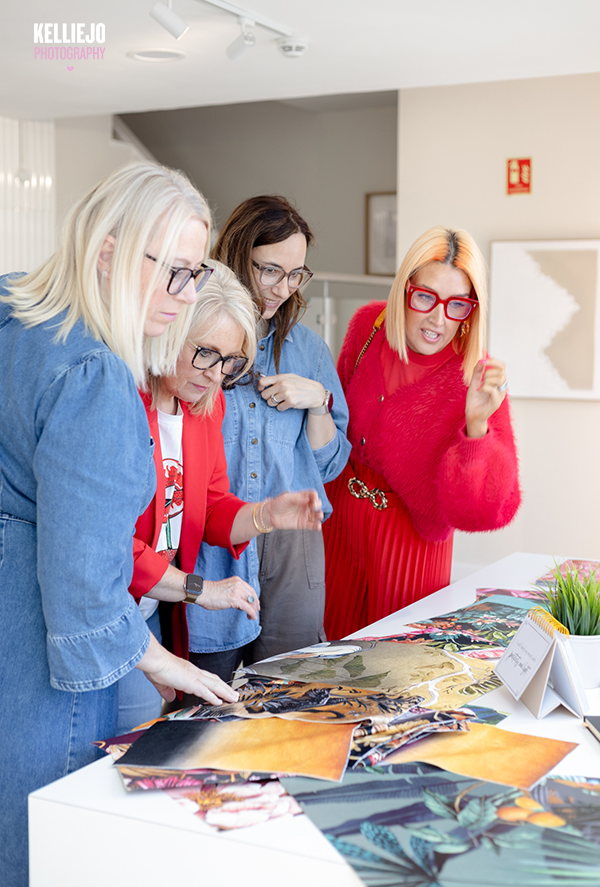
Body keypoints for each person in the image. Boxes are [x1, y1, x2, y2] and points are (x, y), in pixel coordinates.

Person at [0, 162, 240, 887]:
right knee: (39, 845)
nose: (186, 298)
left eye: (194, 275)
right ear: (107, 252)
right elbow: (85, 587)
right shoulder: (94, 375)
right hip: (41, 660)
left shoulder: (18, 316)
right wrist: (167, 664)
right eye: (170, 272)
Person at [118, 262, 324, 730]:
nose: (216, 375)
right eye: (205, 353)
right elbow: (112, 548)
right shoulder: (125, 398)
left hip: (148, 610)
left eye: (232, 363)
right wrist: (203, 590)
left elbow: (211, 510)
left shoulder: (204, 406)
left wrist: (265, 514)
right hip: (110, 606)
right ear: (171, 331)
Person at [323, 226, 521, 639]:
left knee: (394, 672)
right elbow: (335, 426)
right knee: (322, 666)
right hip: (338, 527)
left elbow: (483, 513)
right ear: (404, 290)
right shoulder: (368, 328)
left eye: (457, 305)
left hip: (409, 548)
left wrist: (477, 426)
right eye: (426, 297)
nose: (437, 319)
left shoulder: (476, 376)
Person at [190, 196, 351, 679]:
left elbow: (330, 466)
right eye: (270, 271)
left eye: (297, 274)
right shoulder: (194, 340)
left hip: (293, 540)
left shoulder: (308, 348)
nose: (285, 288)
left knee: (292, 685)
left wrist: (319, 400)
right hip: (213, 536)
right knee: (205, 690)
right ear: (239, 255)